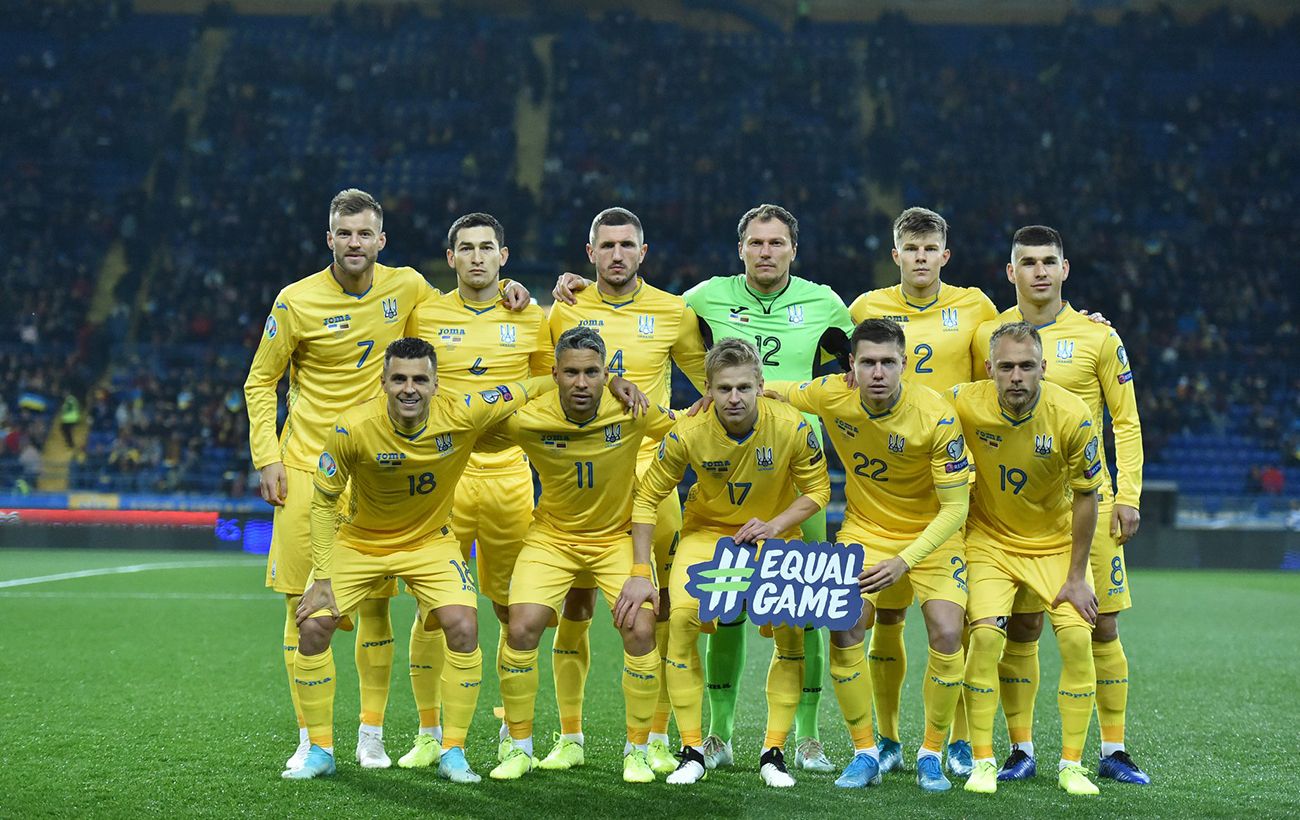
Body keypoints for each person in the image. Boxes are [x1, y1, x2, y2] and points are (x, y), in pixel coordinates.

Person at [243, 189, 530, 772]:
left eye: (364, 234)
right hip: (308, 465)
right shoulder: (295, 300)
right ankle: (310, 738)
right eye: (344, 233)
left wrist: (509, 289)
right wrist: (267, 457)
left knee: (374, 608)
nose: (354, 243)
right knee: (305, 605)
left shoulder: (407, 287)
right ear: (329, 239)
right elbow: (259, 381)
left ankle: (370, 734)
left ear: (381, 240)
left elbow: (465, 301)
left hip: (380, 467)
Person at [283, 337, 552, 782]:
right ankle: (320, 750)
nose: (409, 389)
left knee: (463, 627)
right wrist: (324, 579)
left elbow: (529, 387)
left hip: (429, 542)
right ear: (383, 382)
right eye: (399, 379)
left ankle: (453, 752)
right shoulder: (352, 427)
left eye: (420, 380)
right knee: (312, 624)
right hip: (360, 541)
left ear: (436, 383)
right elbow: (323, 503)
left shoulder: (462, 412)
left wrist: (602, 381)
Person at [972, 226, 1148, 785]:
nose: (1040, 271)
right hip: (1014, 514)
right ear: (1011, 272)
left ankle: (1114, 749)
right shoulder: (989, 335)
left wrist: (1129, 495)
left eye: (1049, 261)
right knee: (1022, 628)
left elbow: (1125, 420)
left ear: (1065, 269)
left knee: (1102, 625)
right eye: (1028, 262)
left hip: (1087, 504)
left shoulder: (1099, 336)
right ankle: (1020, 749)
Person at [769, 319, 972, 792]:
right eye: (867, 363)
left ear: (904, 364)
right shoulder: (831, 395)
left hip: (932, 534)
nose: (878, 372)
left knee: (947, 632)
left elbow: (956, 509)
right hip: (866, 531)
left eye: (887, 362)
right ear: (851, 366)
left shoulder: (937, 416)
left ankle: (931, 754)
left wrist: (905, 560)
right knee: (845, 625)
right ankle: (865, 753)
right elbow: (772, 389)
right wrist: (712, 396)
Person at [542, 207, 708, 775]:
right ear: (590, 253)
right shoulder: (566, 306)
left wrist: (677, 428)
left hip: (652, 480)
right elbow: (544, 376)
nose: (617, 254)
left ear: (643, 252)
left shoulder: (673, 311)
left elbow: (710, 385)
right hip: (582, 479)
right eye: (607, 245)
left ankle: (654, 738)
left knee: (658, 609)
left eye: (627, 245)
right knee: (576, 604)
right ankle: (570, 736)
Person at [477, 326, 676, 784]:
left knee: (641, 628)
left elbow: (688, 427)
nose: (581, 383)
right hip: (553, 537)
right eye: (571, 373)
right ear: (555, 375)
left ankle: (637, 751)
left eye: (592, 372)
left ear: (607, 374)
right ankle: (519, 746)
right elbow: (471, 433)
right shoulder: (528, 419)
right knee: (521, 627)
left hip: (616, 537)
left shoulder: (632, 410)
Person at [632, 338, 830, 788]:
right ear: (708, 389)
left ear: (760, 385)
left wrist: (775, 525)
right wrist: (641, 571)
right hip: (709, 534)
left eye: (743, 387)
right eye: (724, 388)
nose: (734, 398)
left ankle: (773, 753)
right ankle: (693, 751)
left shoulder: (792, 425)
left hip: (775, 535)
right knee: (682, 619)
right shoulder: (688, 430)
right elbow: (647, 496)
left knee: (792, 628)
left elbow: (819, 490)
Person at [397, 213, 553, 769]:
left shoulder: (530, 315)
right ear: (451, 258)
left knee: (513, 610)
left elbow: (551, 386)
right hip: (445, 477)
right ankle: (428, 732)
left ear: (503, 257)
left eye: (488, 247)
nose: (478, 257)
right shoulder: (425, 314)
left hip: (511, 474)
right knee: (433, 609)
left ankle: (515, 734)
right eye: (466, 248)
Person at [847, 206, 994, 777]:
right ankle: (885, 739)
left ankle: (957, 740)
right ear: (896, 255)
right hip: (887, 490)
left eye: (931, 249)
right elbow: (834, 371)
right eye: (911, 249)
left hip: (956, 481)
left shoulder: (976, 306)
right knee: (886, 618)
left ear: (945, 255)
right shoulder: (866, 308)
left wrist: (1088, 318)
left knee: (956, 620)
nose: (921, 258)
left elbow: (1016, 346)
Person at [950, 321, 1104, 796]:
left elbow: (1087, 496)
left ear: (1044, 368)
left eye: (1026, 366)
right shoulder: (963, 401)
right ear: (989, 369)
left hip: (1055, 544)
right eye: (1006, 367)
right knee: (983, 640)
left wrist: (1077, 577)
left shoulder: (1072, 415)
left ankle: (1073, 766)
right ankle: (983, 762)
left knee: (1077, 640)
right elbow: (910, 406)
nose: (1016, 376)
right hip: (990, 541)